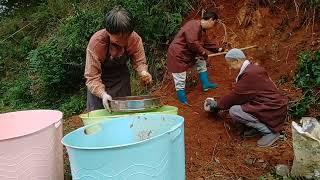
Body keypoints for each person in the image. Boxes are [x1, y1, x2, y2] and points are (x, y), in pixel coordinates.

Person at [204, 48, 288, 147]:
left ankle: (269, 132)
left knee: (234, 111)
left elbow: (236, 96)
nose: (230, 67)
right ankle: (258, 128)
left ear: (237, 61)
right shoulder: (252, 69)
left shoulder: (250, 74)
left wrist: (217, 105)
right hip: (274, 104)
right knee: (241, 105)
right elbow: (242, 94)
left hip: (272, 108)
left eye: (230, 63)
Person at [85, 6, 152, 112]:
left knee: (124, 115)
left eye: (126, 38)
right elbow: (92, 77)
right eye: (118, 41)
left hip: (121, 81)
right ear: (108, 32)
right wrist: (102, 94)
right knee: (99, 121)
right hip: (99, 84)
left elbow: (139, 61)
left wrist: (143, 73)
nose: (123, 43)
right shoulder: (97, 43)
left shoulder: (134, 38)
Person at [167, 11, 224, 105]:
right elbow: (192, 43)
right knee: (180, 78)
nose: (213, 26)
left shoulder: (202, 30)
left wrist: (220, 49)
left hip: (188, 54)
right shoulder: (193, 25)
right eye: (214, 23)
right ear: (210, 20)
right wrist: (203, 52)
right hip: (177, 55)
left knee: (201, 61)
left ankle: (206, 84)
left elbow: (206, 43)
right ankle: (182, 100)